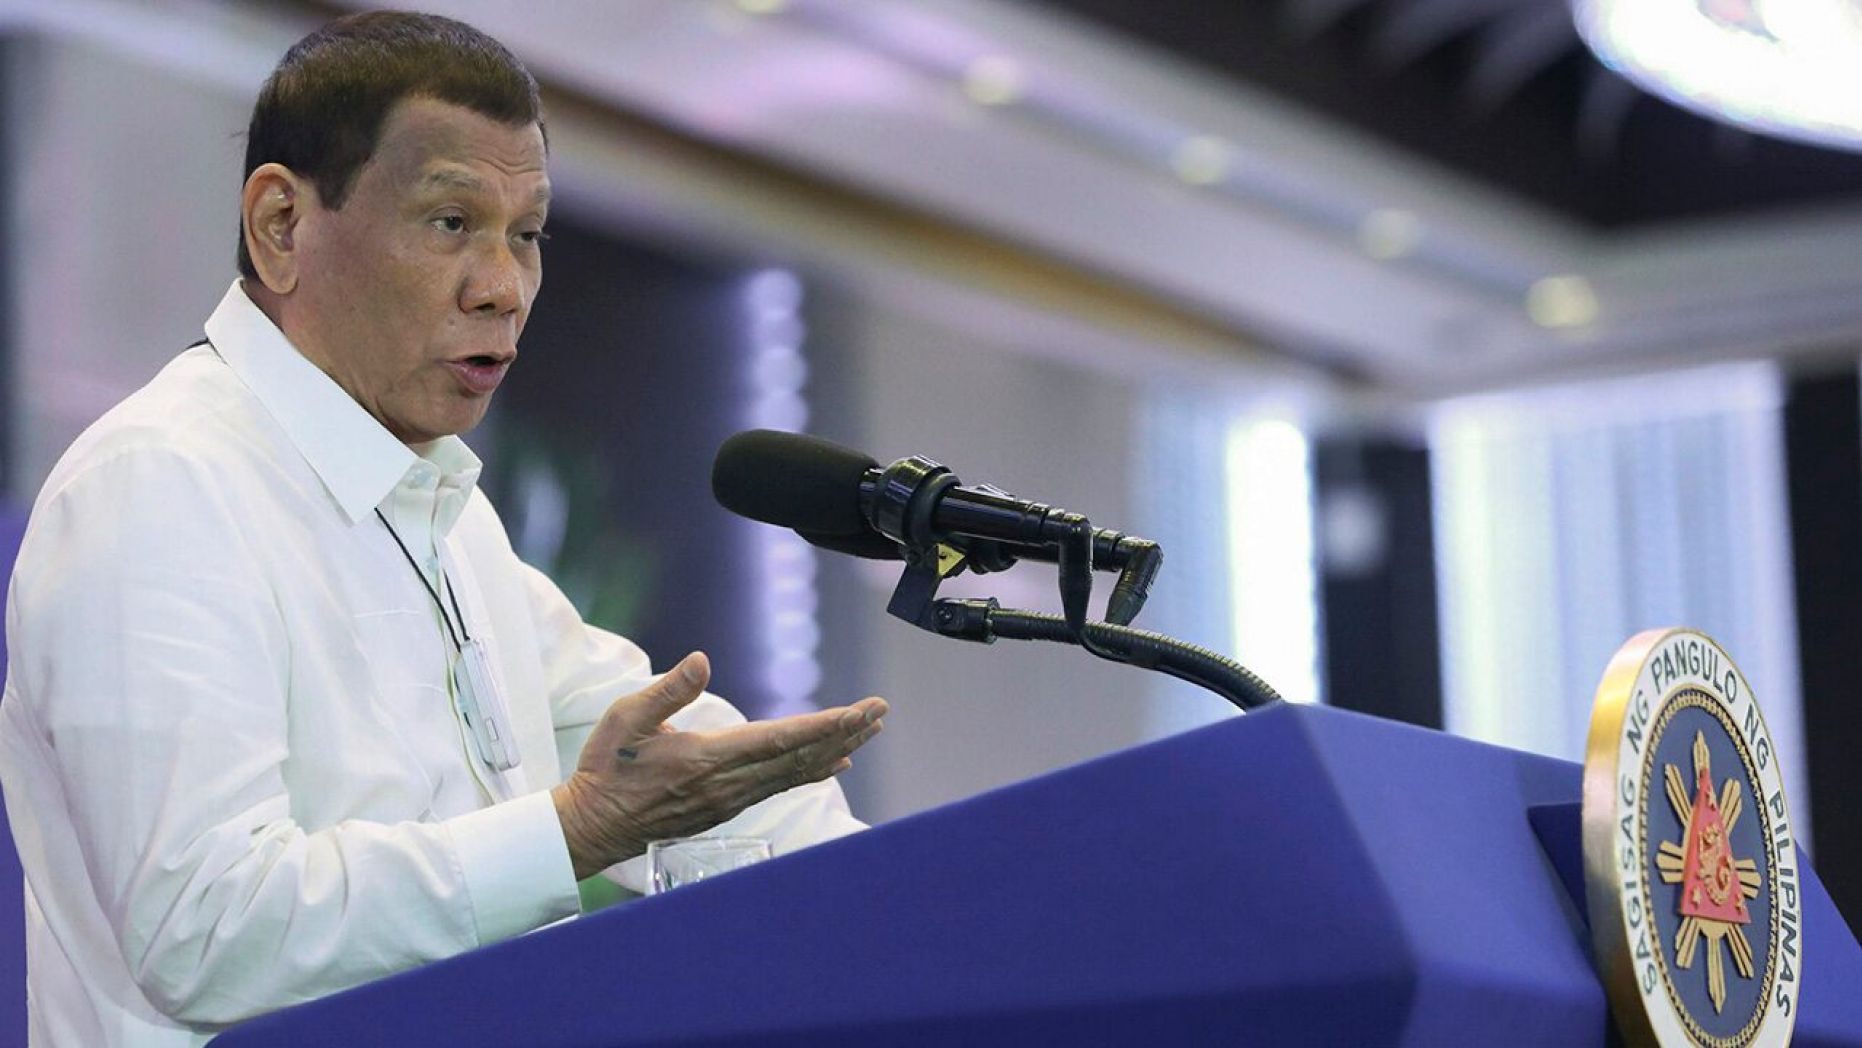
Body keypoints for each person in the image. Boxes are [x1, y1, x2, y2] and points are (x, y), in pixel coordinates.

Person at [0, 12, 888, 1047]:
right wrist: (573, 830)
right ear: (281, 223)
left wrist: (912, 892)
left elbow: (675, 767)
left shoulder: (447, 524)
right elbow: (203, 929)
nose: (502, 287)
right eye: (451, 223)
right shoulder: (159, 483)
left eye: (526, 233)